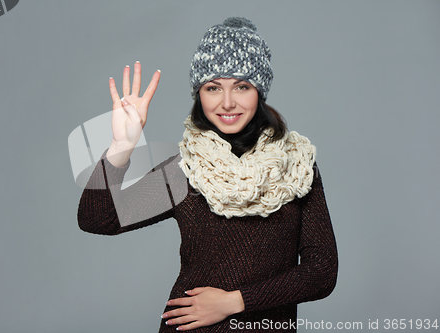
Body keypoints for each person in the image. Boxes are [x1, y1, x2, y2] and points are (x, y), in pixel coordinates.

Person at [78, 17, 338, 332]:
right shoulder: (186, 169)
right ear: (199, 94)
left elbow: (321, 272)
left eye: (241, 86)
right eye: (213, 87)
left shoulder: (296, 166)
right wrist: (122, 145)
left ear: (259, 90)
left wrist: (234, 301)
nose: (227, 102)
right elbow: (97, 219)